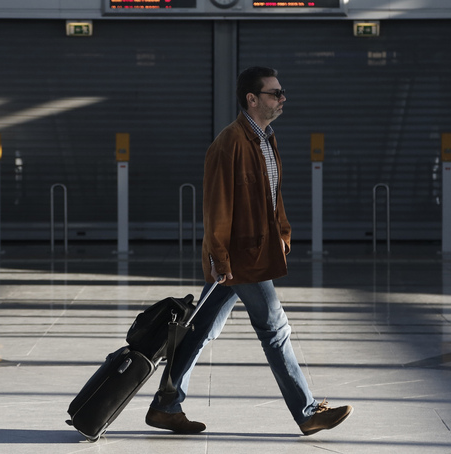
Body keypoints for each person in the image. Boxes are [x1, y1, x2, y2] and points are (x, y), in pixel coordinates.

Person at [145, 66, 353, 437]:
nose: (282, 98)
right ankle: (306, 413)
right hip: (239, 259)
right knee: (275, 330)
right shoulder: (229, 143)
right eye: (275, 93)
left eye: (281, 92)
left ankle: (165, 406)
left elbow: (272, 197)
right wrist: (221, 260)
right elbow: (216, 208)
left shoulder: (265, 139)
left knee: (199, 331)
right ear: (251, 99)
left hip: (252, 252)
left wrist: (282, 233)